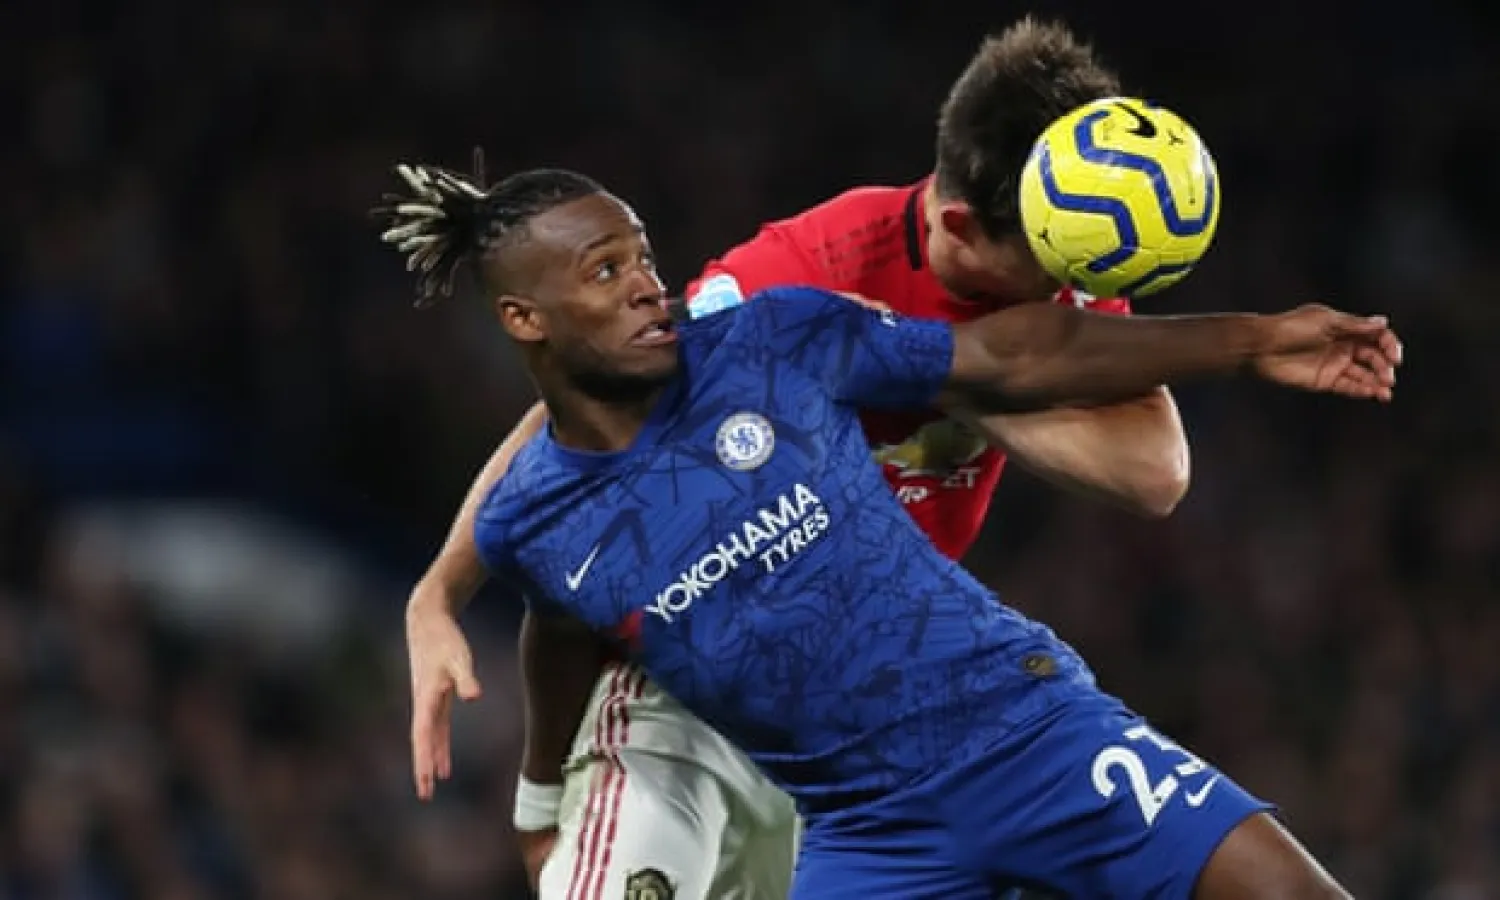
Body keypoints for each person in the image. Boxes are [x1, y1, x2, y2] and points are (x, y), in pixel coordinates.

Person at [374, 161, 1398, 898]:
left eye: (643, 257)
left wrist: (1254, 340)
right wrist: (540, 802)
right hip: (871, 841)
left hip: (1025, 730)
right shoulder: (531, 521)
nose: (647, 282)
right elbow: (559, 634)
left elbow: (1019, 355)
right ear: (524, 321)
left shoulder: (773, 341)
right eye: (605, 271)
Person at [403, 19, 1198, 898]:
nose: (1063, 295)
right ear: (963, 226)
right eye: (1044, 274)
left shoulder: (1066, 257)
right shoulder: (798, 273)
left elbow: (1153, 469)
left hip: (870, 717)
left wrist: (956, 372)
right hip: (693, 693)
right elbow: (571, 416)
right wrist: (441, 588)